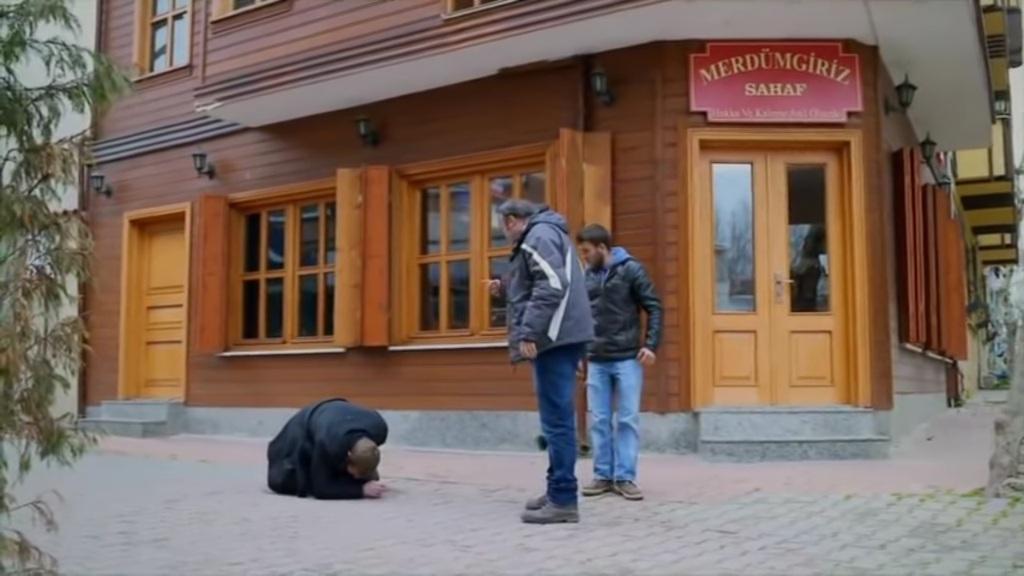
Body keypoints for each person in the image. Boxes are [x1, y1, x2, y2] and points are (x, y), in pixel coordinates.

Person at [491, 199, 594, 524]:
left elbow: (551, 285)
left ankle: (563, 499)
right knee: (557, 420)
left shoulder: (538, 235)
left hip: (553, 339)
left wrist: (530, 333)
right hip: (564, 336)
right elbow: (546, 281)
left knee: (557, 422)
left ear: (511, 220)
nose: (505, 233)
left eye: (503, 226)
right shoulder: (551, 233)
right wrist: (505, 286)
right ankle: (556, 490)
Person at [576, 223, 662, 501]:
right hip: (596, 359)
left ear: (602, 248)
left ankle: (625, 477)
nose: (584, 257)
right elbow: (580, 317)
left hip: (627, 358)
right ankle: (603, 476)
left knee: (627, 420)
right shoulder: (586, 276)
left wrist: (650, 345)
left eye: (587, 251)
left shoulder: (631, 269)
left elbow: (654, 306)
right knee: (599, 420)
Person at [267, 398, 388, 500]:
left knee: (358, 477)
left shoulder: (378, 429)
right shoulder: (327, 441)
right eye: (356, 473)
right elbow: (321, 489)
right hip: (294, 442)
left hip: (332, 418)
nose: (357, 477)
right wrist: (361, 490)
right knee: (290, 482)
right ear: (347, 457)